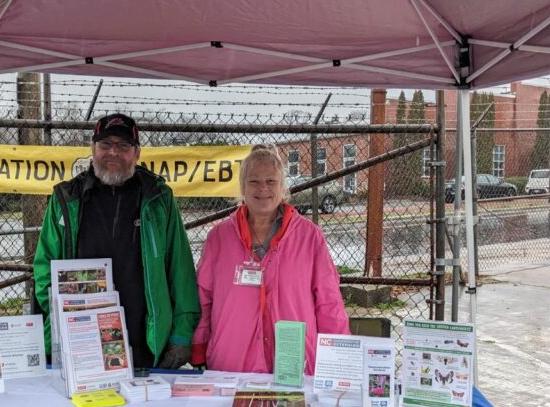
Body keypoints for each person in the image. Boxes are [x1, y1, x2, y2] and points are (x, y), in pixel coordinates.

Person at [33, 113, 200, 369]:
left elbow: (180, 270)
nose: (113, 152)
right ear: (92, 149)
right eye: (105, 145)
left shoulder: (158, 198)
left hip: (144, 340)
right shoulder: (66, 198)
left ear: (137, 154)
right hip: (81, 340)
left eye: (123, 146)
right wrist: (61, 313)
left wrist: (181, 335)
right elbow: (45, 268)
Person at [191, 145, 349, 374]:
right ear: (242, 186)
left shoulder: (309, 236)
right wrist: (198, 346)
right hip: (231, 362)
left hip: (294, 365)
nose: (262, 188)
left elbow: (329, 301)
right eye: (254, 181)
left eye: (271, 181)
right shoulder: (219, 238)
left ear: (282, 186)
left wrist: (338, 356)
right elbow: (203, 299)